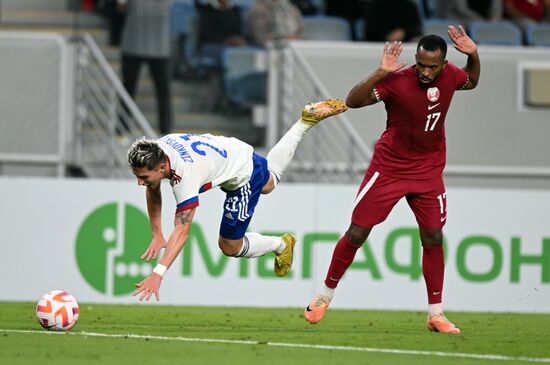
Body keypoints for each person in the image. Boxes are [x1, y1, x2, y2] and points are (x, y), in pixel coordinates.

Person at [304, 26, 480, 334]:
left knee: (434, 237)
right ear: (415, 59)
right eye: (421, 64)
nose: (425, 71)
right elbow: (353, 101)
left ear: (443, 64)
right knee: (357, 233)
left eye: (432, 67)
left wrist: (474, 55)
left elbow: (472, 81)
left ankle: (435, 314)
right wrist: (380, 71)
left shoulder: (452, 75)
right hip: (389, 169)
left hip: (428, 170)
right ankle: (324, 295)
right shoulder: (396, 81)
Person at [129, 99, 348, 301]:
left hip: (241, 173)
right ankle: (303, 122)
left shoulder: (186, 175)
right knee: (269, 183)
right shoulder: (158, 149)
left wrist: (158, 274)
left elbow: (182, 231)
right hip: (230, 149)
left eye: (143, 177)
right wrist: (157, 233)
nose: (140, 183)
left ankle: (281, 244)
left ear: (162, 167)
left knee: (230, 246)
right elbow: (153, 186)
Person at [118, 0, 173, 135]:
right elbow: (121, 8)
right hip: (133, 41)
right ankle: (121, 130)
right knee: (128, 88)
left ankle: (166, 131)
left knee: (163, 90)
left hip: (159, 45)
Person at [439, 0, 503, 26]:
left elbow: (496, 11)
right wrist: (482, 21)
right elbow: (462, 10)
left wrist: (494, 21)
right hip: (458, 21)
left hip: (483, 23)